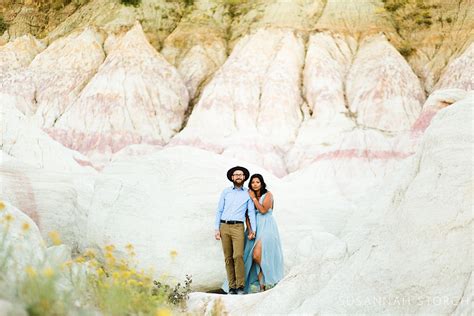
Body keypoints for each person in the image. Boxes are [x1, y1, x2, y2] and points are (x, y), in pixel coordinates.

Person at [215, 166, 256, 295]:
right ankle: (232, 287)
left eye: (241, 174)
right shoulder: (226, 192)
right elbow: (219, 210)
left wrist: (252, 230)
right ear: (232, 177)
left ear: (244, 177)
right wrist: (217, 229)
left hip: (238, 227)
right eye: (236, 174)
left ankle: (240, 286)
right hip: (224, 226)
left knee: (238, 256)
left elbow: (250, 213)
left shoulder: (248, 193)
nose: (238, 176)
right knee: (228, 258)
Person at [243, 174, 284, 293]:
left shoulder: (268, 195)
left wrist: (254, 198)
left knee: (257, 254)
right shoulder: (249, 196)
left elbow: (263, 210)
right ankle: (262, 284)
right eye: (253, 182)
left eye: (257, 182)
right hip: (254, 227)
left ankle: (270, 276)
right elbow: (247, 215)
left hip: (267, 225)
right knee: (252, 257)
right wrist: (250, 230)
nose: (255, 184)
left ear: (262, 183)